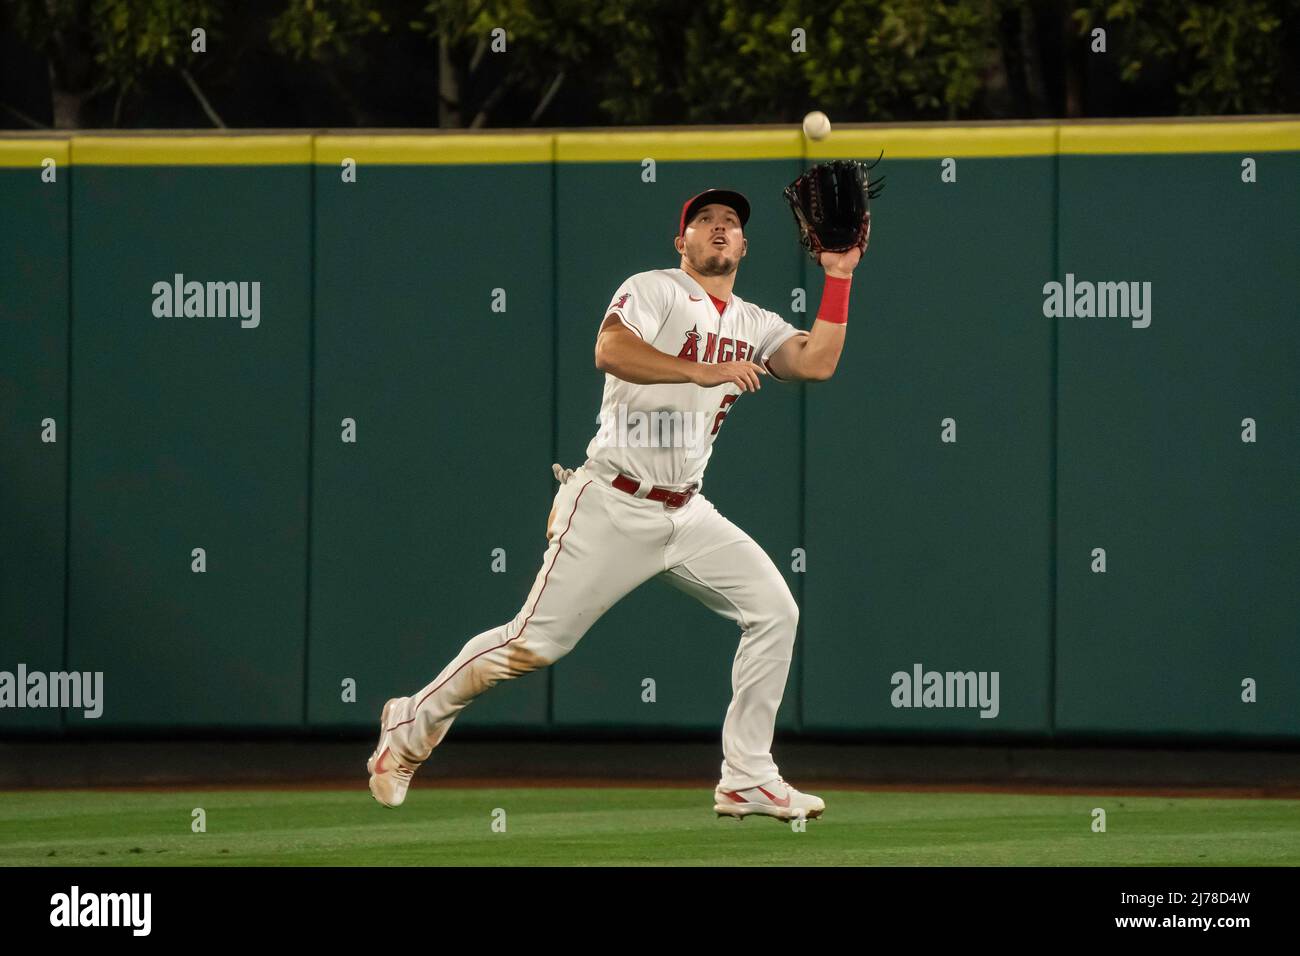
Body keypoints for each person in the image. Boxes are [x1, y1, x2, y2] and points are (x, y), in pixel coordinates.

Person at [368, 187, 864, 820]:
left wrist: (839, 279)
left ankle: (747, 775)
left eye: (731, 222)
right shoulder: (655, 289)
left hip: (688, 513)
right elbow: (611, 350)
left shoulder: (753, 322)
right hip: (611, 501)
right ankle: (411, 721)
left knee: (774, 611)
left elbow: (817, 362)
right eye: (704, 220)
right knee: (531, 646)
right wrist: (698, 370)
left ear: (744, 245)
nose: (718, 228)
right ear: (680, 241)